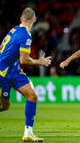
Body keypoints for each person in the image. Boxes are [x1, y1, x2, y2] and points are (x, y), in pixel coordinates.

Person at [0, 7, 51, 142]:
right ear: (34, 20)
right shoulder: (26, 35)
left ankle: (28, 133)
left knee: (32, 96)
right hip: (3, 73)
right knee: (4, 106)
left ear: (21, 18)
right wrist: (39, 61)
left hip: (14, 70)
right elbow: (25, 60)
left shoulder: (15, 29)